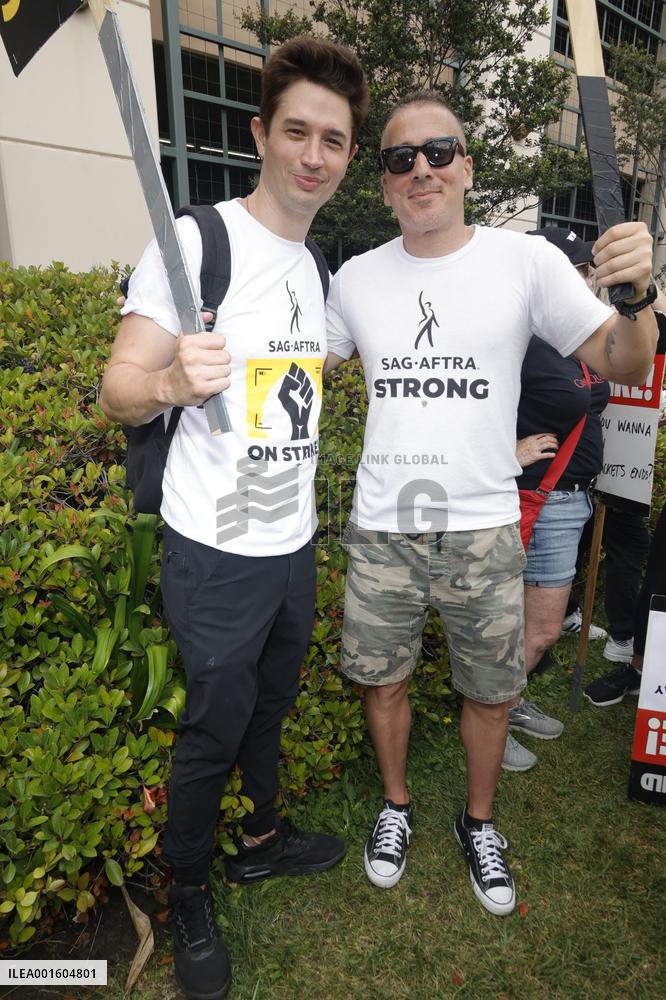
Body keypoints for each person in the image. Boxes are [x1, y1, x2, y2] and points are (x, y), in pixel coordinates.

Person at [324, 90, 657, 917]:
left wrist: (640, 296)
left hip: (482, 526)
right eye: (401, 158)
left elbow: (623, 360)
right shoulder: (355, 280)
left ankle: (479, 824)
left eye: (439, 152)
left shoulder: (527, 262)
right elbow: (293, 365)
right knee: (384, 679)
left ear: (466, 166)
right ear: (386, 182)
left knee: (491, 689)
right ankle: (396, 807)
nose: (421, 169)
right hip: (383, 530)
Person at [100, 36, 368, 1000]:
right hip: (213, 551)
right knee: (213, 728)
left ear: (346, 154)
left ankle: (260, 837)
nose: (312, 154)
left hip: (289, 544)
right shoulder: (196, 240)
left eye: (333, 139)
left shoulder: (318, 269)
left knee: (270, 705)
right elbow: (117, 387)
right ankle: (188, 891)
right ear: (260, 133)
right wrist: (169, 379)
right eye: (296, 129)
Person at [504, 229, 611, 772]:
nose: (582, 279)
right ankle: (493, 719)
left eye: (585, 269)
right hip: (538, 500)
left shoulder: (580, 338)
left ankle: (508, 704)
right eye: (569, 269)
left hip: (572, 498)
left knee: (533, 625)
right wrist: (509, 450)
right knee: (539, 628)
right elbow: (465, 403)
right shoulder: (521, 339)